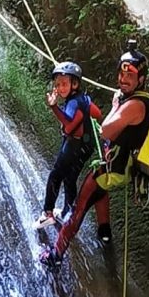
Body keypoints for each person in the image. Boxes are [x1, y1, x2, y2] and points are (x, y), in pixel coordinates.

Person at [40, 42, 149, 265]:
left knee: (80, 208)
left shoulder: (133, 105)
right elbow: (96, 114)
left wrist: (115, 106)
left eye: (129, 75)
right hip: (121, 166)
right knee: (100, 194)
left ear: (140, 79)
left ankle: (55, 255)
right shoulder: (145, 100)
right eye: (121, 74)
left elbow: (106, 130)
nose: (122, 79)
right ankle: (105, 232)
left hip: (112, 167)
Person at [33, 61, 103, 230]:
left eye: (64, 84)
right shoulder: (82, 98)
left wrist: (54, 107)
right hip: (86, 147)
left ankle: (47, 214)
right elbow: (97, 113)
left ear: (75, 84)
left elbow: (69, 126)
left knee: (55, 176)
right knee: (69, 178)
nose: (61, 88)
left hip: (74, 146)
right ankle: (68, 213)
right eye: (58, 84)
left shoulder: (73, 103)